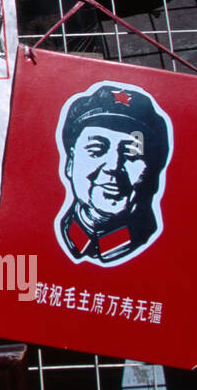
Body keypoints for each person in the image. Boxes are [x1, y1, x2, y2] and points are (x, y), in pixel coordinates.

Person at [55, 83, 172, 265]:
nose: (113, 166)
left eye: (131, 154)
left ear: (155, 169)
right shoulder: (35, 236)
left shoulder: (166, 256)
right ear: (70, 162)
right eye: (96, 150)